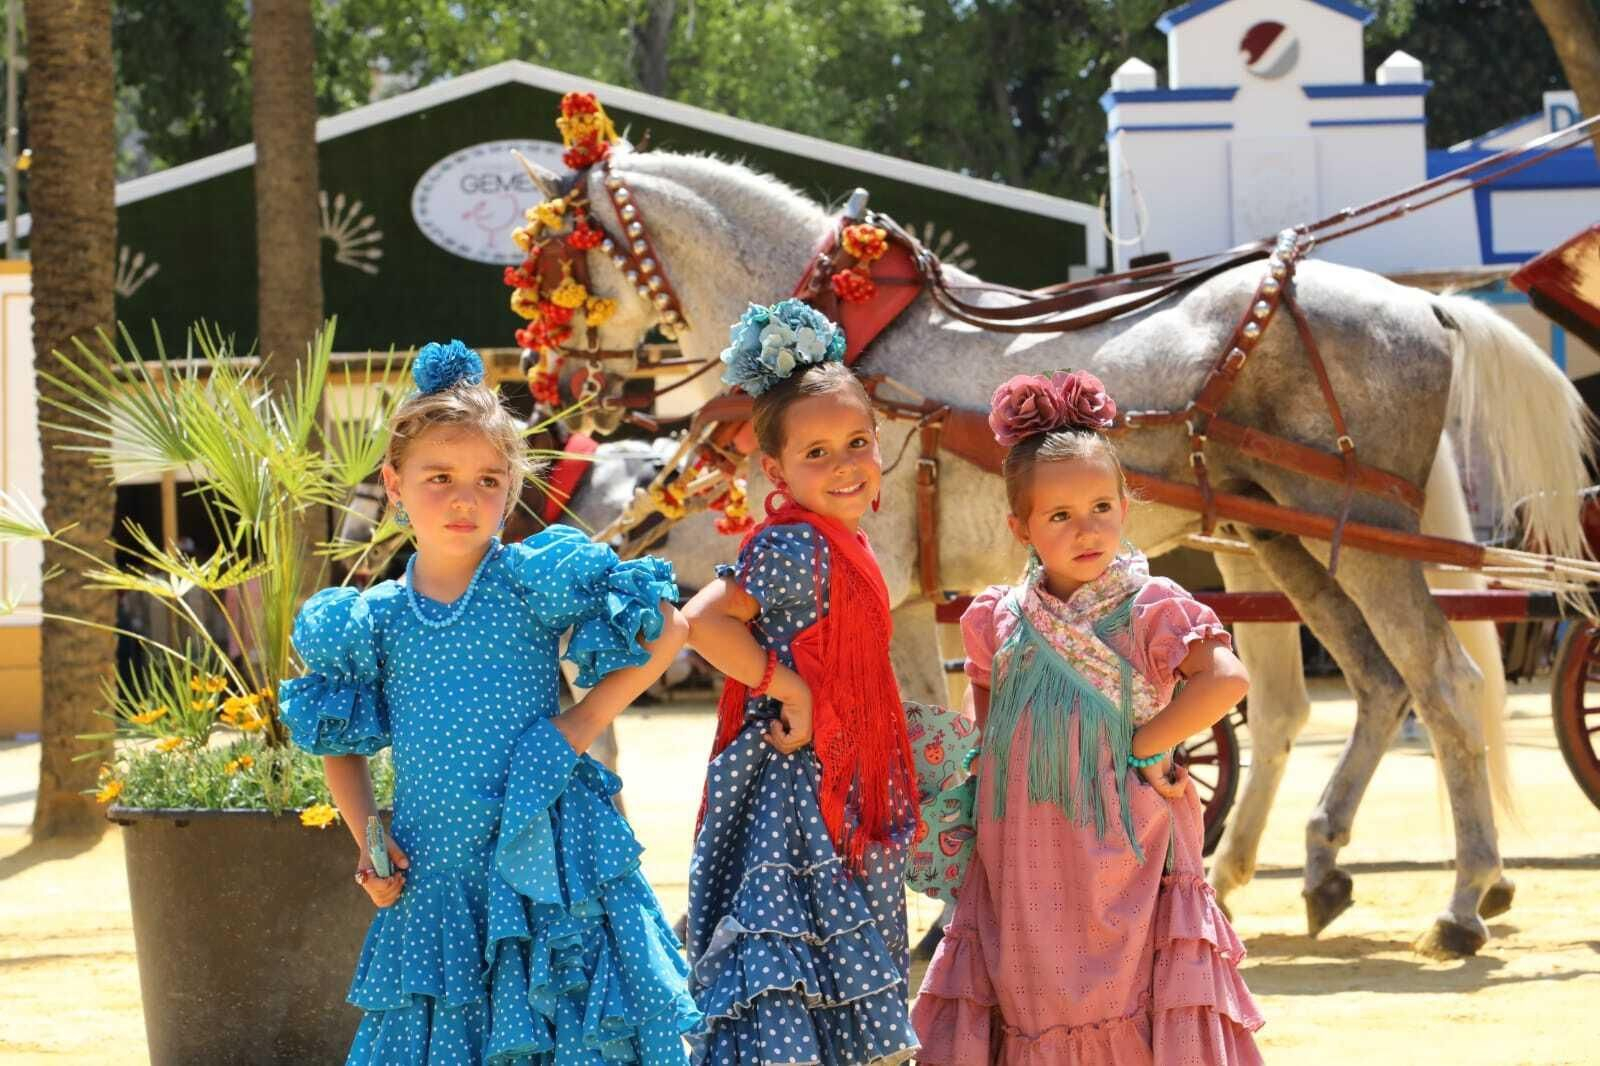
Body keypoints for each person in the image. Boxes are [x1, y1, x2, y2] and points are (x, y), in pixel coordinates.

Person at [281, 340, 700, 1064]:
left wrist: (577, 726)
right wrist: (371, 843)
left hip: (548, 862)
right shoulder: (370, 619)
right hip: (437, 879)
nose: (464, 498)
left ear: (511, 488)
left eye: (487, 479)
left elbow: (668, 627)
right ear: (394, 482)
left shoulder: (533, 581)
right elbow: (339, 746)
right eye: (438, 477)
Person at [912, 371, 1264, 1064]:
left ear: (1127, 508)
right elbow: (987, 733)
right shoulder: (997, 619)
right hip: (1021, 852)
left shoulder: (1151, 605)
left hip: (1124, 842)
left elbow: (1226, 679)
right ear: (1020, 526)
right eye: (1061, 516)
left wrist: (1145, 745)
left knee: (1122, 984)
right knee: (1029, 991)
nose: (1088, 529)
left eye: (1103, 506)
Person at [681, 301, 920, 1064]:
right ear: (775, 471)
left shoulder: (843, 539)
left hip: (843, 773)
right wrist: (789, 687)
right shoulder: (791, 545)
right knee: (792, 937)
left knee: (828, 934)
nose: (846, 463)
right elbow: (703, 622)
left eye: (857, 441)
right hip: (797, 789)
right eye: (817, 454)